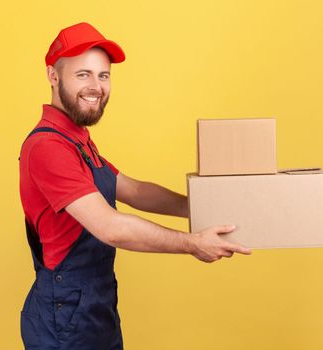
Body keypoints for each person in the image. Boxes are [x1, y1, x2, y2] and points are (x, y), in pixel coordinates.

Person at [18, 22, 251, 350]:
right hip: (64, 320)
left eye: (103, 75)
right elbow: (110, 227)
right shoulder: (47, 147)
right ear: (53, 76)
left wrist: (203, 207)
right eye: (82, 74)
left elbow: (135, 191)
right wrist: (192, 243)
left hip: (94, 310)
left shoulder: (78, 141)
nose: (96, 86)